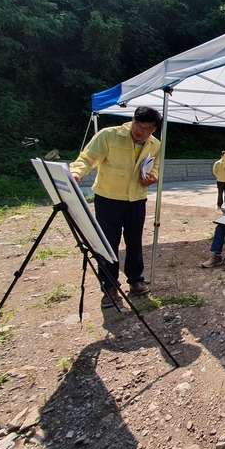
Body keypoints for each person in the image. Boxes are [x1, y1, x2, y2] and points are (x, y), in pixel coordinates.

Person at [69, 106, 162, 310]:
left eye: (146, 128)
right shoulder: (109, 135)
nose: (140, 131)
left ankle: (136, 279)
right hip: (109, 198)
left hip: (137, 199)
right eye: (138, 125)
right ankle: (109, 286)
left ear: (154, 129)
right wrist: (76, 172)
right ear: (132, 120)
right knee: (108, 243)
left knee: (134, 241)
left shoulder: (155, 144)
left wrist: (152, 177)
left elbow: (154, 167)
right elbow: (87, 158)